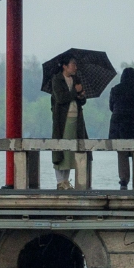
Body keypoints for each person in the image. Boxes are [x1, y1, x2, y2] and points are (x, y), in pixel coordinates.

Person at [107, 66, 134, 189]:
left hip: (117, 125)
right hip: (132, 124)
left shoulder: (115, 89)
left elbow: (111, 108)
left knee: (122, 152)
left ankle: (123, 181)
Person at [50, 54, 87, 186]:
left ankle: (66, 181)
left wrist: (81, 95)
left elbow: (82, 101)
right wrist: (75, 92)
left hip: (76, 120)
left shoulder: (76, 79)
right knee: (61, 151)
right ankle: (60, 182)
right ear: (65, 66)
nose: (75, 67)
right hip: (62, 120)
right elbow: (60, 98)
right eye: (73, 64)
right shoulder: (56, 80)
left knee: (71, 152)